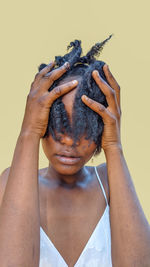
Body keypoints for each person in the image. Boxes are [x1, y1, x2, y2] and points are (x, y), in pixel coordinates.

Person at [0, 37, 150, 267]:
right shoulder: (12, 182)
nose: (70, 140)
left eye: (85, 126)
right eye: (59, 123)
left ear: (101, 129)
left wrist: (114, 146)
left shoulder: (110, 183)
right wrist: (28, 133)